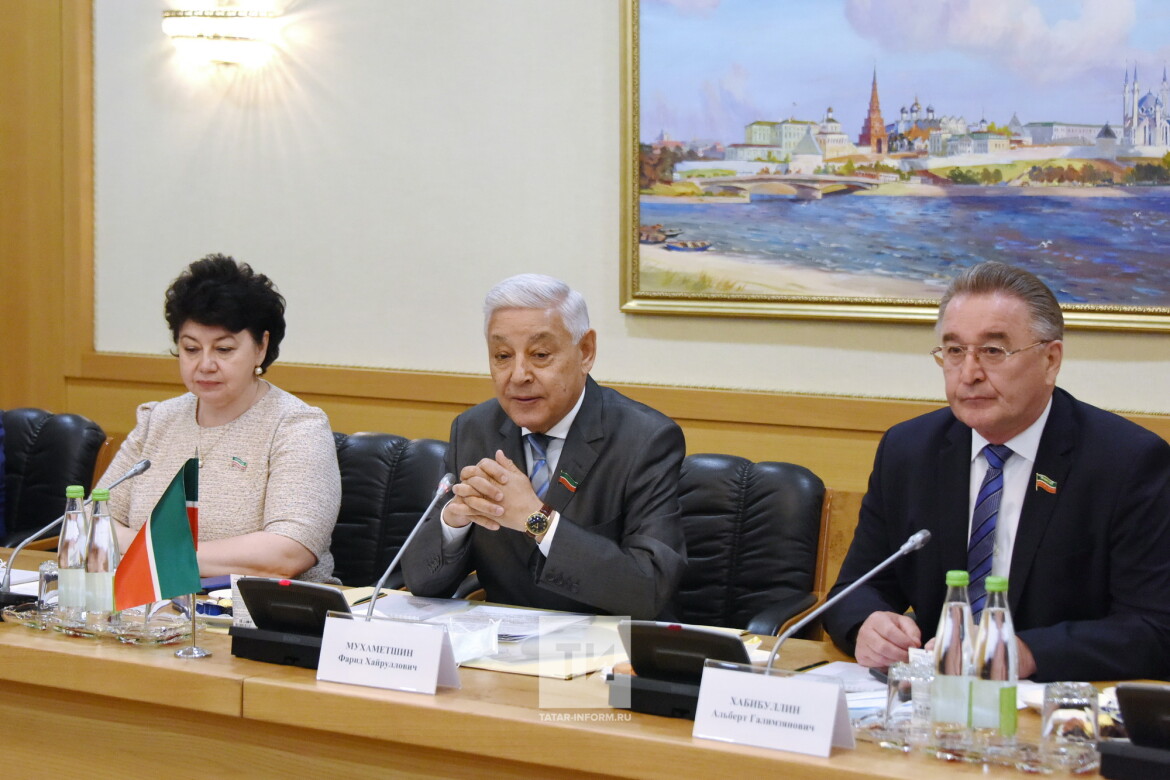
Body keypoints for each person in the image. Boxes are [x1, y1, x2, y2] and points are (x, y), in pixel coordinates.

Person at [823, 261, 1170, 682]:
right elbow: (855, 590)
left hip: (1057, 703)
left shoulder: (1127, 461)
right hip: (935, 698)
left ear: (1050, 360)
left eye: (992, 351)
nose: (969, 374)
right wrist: (867, 625)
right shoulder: (908, 450)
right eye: (954, 351)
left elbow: (1154, 628)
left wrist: (1026, 653)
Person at [402, 273, 686, 619]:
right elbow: (421, 582)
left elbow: (650, 588)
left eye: (539, 354)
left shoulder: (645, 439)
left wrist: (537, 520)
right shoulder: (475, 430)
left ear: (585, 351)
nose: (518, 375)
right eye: (502, 356)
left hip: (606, 641)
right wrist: (453, 524)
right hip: (502, 641)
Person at [96, 254, 341, 582]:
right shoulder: (158, 420)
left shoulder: (297, 427)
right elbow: (94, 522)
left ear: (261, 347)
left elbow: (287, 553)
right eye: (191, 349)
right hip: (150, 602)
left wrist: (149, 552)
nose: (205, 365)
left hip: (258, 609)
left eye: (223, 349)